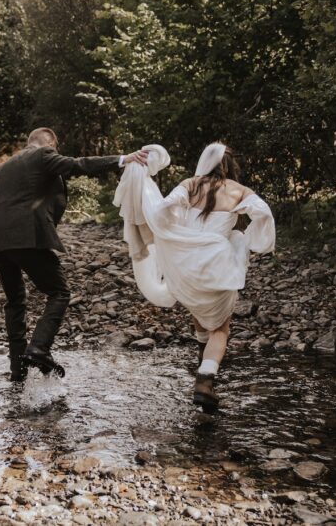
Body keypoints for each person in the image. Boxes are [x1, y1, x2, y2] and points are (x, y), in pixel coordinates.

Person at [0, 127, 148, 382]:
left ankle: (18, 369)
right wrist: (122, 159)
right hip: (27, 236)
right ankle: (39, 348)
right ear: (49, 143)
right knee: (59, 293)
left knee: (15, 302)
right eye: (54, 148)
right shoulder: (41, 155)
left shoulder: (4, 167)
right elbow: (77, 165)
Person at [114, 142, 275, 412]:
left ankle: (203, 356)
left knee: (198, 307)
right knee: (221, 329)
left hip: (186, 262)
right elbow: (264, 213)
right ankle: (205, 379)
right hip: (217, 262)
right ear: (230, 165)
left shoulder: (190, 184)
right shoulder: (239, 190)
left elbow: (165, 208)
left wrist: (172, 232)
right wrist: (255, 241)